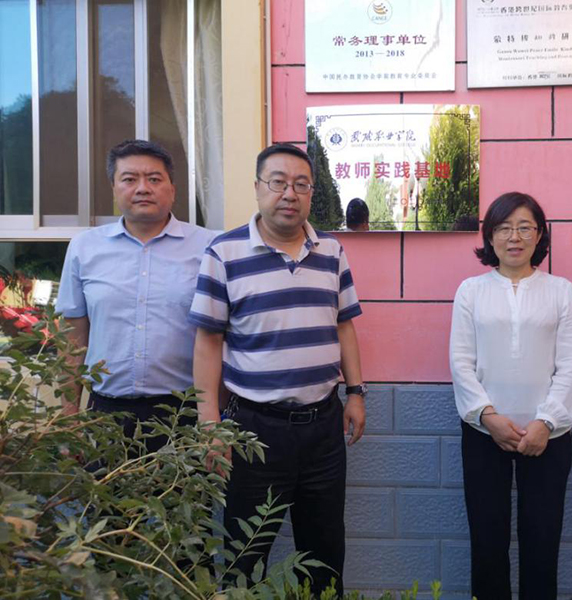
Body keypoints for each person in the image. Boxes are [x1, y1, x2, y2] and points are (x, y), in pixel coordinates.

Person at [189, 143, 366, 596]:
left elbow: (344, 326)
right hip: (253, 431)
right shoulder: (224, 252)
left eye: (301, 184)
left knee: (325, 553)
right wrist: (209, 423)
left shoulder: (331, 250)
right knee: (245, 556)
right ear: (257, 187)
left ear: (312, 193)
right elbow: (208, 343)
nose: (290, 193)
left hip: (323, 426)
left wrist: (356, 393)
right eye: (278, 182)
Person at [449, 192, 572, 600]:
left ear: (539, 235)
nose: (514, 237)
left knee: (542, 541)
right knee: (487, 540)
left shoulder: (561, 291)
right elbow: (461, 361)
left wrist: (546, 422)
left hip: (548, 437)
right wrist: (487, 416)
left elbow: (569, 365)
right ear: (490, 236)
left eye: (525, 228)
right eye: (504, 228)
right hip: (484, 432)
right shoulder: (471, 291)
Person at [55, 139, 216, 447]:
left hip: (183, 414)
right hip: (106, 415)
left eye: (154, 179)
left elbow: (220, 336)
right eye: (129, 179)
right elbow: (73, 337)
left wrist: (213, 419)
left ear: (172, 189)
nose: (143, 188)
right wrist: (68, 417)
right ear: (114, 189)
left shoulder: (208, 247)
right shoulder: (84, 248)